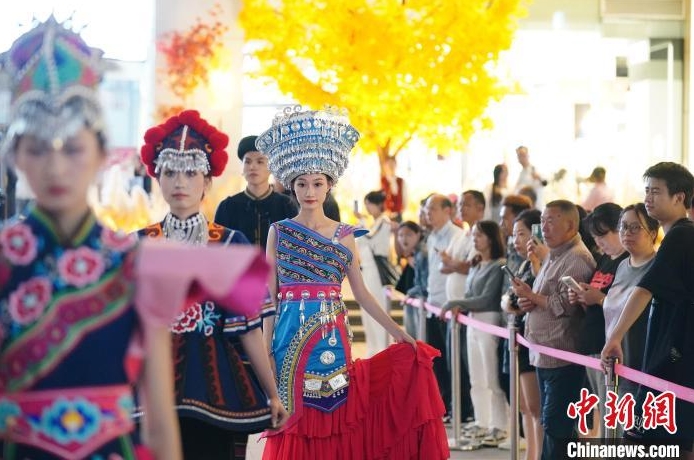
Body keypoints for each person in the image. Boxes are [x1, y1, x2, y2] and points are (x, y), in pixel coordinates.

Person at [0, 18, 269, 460]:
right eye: (36, 148)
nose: (56, 167)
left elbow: (159, 421)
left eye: (73, 149)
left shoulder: (143, 260)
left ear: (102, 154)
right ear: (13, 157)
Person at [256, 107, 449, 459]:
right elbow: (270, 296)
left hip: (332, 334)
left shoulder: (346, 235)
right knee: (294, 419)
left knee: (334, 410)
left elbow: (361, 292)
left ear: (330, 185)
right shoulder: (278, 232)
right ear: (292, 186)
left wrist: (398, 331)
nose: (309, 191)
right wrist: (266, 348)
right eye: (302, 184)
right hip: (286, 336)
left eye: (317, 183)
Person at [137, 110, 287, 459]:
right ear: (157, 178)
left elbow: (250, 329)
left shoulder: (233, 244)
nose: (180, 182)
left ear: (207, 182)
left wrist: (273, 393)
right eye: (170, 172)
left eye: (191, 173)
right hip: (151, 394)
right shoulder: (137, 246)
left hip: (215, 389)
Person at [602, 162, 694, 457]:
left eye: (656, 191)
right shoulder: (682, 236)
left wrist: (614, 337)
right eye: (647, 191)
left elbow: (643, 289)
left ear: (679, 197)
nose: (648, 198)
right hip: (677, 350)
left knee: (659, 440)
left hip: (676, 353)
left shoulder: (680, 236)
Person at [511, 200, 596, 460]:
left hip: (563, 356)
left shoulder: (577, 257)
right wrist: (528, 299)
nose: (544, 227)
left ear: (570, 224)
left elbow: (565, 306)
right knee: (551, 424)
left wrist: (533, 298)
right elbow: (544, 296)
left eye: (551, 221)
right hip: (545, 354)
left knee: (558, 429)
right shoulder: (553, 254)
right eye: (543, 221)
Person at [441, 221, 509, 450]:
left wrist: (455, 302)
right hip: (473, 321)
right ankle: (483, 420)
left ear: (491, 238)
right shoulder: (478, 264)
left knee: (491, 376)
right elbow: (471, 294)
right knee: (476, 377)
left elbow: (487, 299)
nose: (475, 239)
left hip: (488, 321)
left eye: (479, 235)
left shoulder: (499, 265)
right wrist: (462, 303)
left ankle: (500, 425)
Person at [569, 203, 627, 437]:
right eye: (595, 236)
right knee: (603, 411)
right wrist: (584, 297)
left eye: (603, 234)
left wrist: (599, 298)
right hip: (591, 343)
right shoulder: (604, 259)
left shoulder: (626, 262)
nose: (599, 241)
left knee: (612, 414)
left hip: (609, 346)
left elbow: (626, 306)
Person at [602, 204, 657, 404]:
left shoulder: (658, 267)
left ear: (652, 233)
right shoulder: (622, 266)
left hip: (643, 369)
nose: (627, 233)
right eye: (623, 226)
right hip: (614, 365)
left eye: (635, 227)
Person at [500, 209, 543, 459]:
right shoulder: (525, 263)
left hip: (530, 340)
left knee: (535, 407)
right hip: (515, 337)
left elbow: (526, 300)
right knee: (525, 407)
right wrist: (512, 302)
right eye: (514, 235)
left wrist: (513, 302)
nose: (517, 240)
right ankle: (530, 453)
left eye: (522, 234)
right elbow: (509, 300)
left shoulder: (540, 264)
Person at [214, 135, 297, 249]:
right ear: (242, 168)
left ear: (271, 167)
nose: (253, 166)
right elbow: (217, 250)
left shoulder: (286, 205)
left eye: (260, 161)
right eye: (247, 162)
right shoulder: (227, 206)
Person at [354, 190, 397, 356]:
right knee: (367, 312)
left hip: (377, 272)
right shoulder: (375, 223)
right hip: (368, 270)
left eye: (369, 205)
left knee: (377, 309)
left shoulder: (383, 222)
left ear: (378, 204)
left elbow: (370, 239)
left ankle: (382, 348)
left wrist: (362, 221)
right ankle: (373, 349)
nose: (367, 209)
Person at [380, 156, 406, 222]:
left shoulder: (401, 181)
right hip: (385, 216)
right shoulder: (382, 181)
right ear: (385, 166)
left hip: (398, 216)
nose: (391, 166)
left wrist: (401, 211)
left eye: (392, 164)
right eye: (389, 164)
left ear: (396, 165)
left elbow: (405, 198)